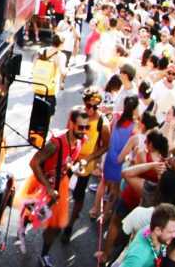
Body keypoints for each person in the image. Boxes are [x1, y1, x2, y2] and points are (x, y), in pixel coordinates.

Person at [14, 107, 89, 267]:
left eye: (86, 127)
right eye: (80, 127)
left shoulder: (81, 140)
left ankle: (44, 255)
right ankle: (22, 226)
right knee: (33, 211)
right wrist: (48, 187)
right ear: (71, 124)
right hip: (42, 182)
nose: (84, 131)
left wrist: (78, 165)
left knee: (54, 226)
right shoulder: (55, 143)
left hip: (59, 185)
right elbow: (34, 162)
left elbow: (68, 162)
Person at [62, 88, 110, 242]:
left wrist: (90, 158)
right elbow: (66, 133)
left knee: (78, 194)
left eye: (95, 107)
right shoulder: (75, 114)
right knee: (60, 187)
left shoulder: (103, 123)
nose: (91, 110)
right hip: (70, 159)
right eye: (89, 106)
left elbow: (105, 146)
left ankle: (70, 225)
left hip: (86, 164)